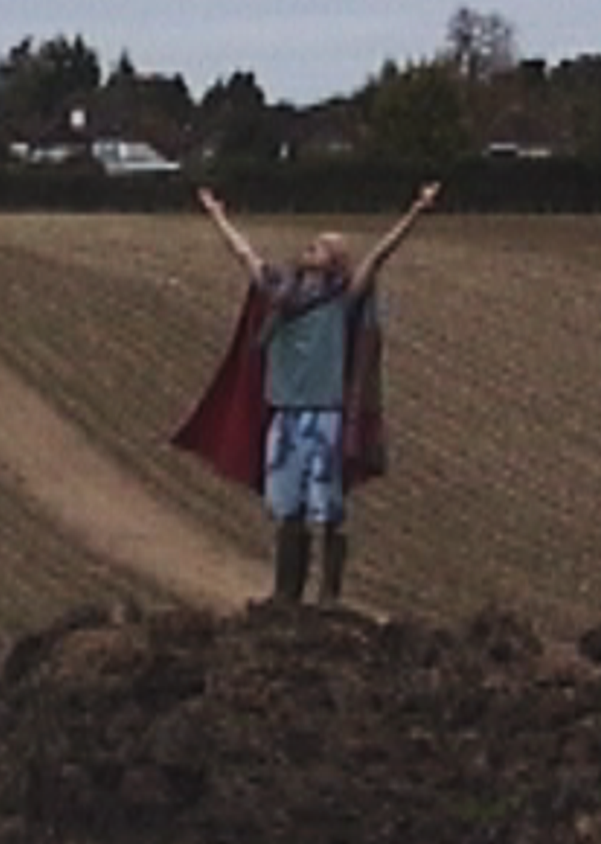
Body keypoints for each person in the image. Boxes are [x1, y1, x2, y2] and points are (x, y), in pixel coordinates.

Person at [176, 182, 440, 606]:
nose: (309, 248)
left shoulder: (342, 299)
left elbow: (380, 256)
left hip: (325, 416)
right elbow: (243, 254)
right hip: (285, 415)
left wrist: (416, 211)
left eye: (320, 247)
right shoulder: (279, 291)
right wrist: (217, 214)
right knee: (287, 507)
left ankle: (328, 595)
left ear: (334, 263)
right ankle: (286, 594)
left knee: (327, 507)